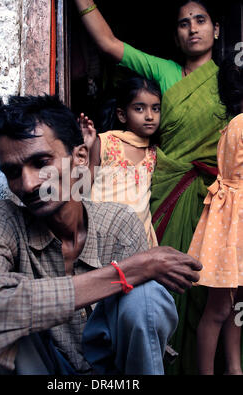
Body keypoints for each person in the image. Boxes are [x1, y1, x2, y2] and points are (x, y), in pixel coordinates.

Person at [0, 94, 202, 375]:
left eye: (41, 162)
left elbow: (143, 320)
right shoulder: (2, 219)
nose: (28, 184)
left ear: (80, 157)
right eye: (12, 172)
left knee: (146, 296)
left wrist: (130, 277)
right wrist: (128, 272)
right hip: (43, 368)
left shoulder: (118, 223)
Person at [73, 0, 228, 374]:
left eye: (200, 20)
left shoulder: (230, 82)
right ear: (175, 34)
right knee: (154, 284)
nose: (192, 28)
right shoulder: (162, 71)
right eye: (183, 23)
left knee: (204, 287)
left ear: (216, 29)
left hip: (212, 198)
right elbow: (109, 45)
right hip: (162, 195)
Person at [188, 52, 243, 375]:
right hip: (234, 221)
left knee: (234, 305)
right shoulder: (240, 124)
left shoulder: (234, 123)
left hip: (233, 218)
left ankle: (234, 368)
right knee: (220, 307)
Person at [79, 76, 161, 248]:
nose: (149, 116)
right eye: (139, 109)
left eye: (155, 109)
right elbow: (81, 187)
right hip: (103, 235)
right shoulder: (105, 142)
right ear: (122, 115)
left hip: (139, 239)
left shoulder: (154, 152)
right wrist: (85, 149)